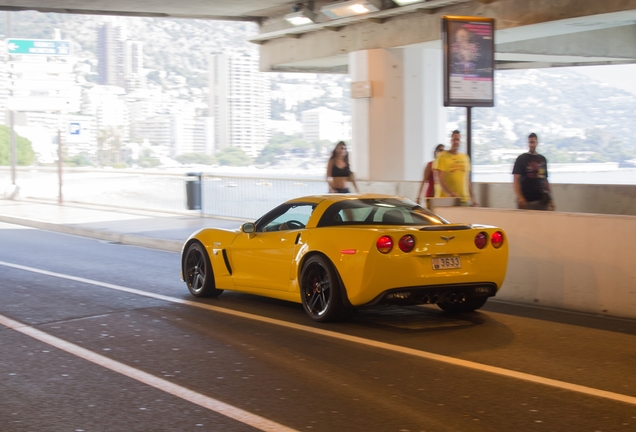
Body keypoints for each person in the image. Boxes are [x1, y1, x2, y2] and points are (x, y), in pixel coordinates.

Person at [433, 130, 478, 206]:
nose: (456, 142)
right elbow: (439, 178)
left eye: (458, 139)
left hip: (463, 199)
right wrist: (450, 193)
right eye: (454, 139)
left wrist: (472, 198)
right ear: (451, 141)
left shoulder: (465, 157)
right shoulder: (442, 156)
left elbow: (467, 179)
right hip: (447, 201)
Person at [512, 133, 554, 210]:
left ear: (537, 143)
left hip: (541, 200)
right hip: (526, 200)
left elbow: (545, 179)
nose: (531, 145)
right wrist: (520, 197)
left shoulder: (542, 159)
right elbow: (516, 179)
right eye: (530, 142)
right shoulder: (521, 159)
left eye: (533, 142)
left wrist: (550, 198)